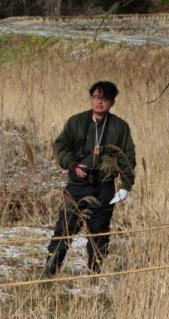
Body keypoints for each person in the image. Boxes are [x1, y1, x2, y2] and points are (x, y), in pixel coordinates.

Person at [43, 80, 136, 276]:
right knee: (64, 229)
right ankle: (49, 272)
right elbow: (61, 146)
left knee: (99, 233)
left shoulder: (120, 127)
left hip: (104, 186)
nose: (99, 102)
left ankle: (95, 274)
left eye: (104, 98)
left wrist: (126, 186)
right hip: (77, 185)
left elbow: (127, 157)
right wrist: (72, 165)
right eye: (95, 97)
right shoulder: (76, 122)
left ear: (112, 102)